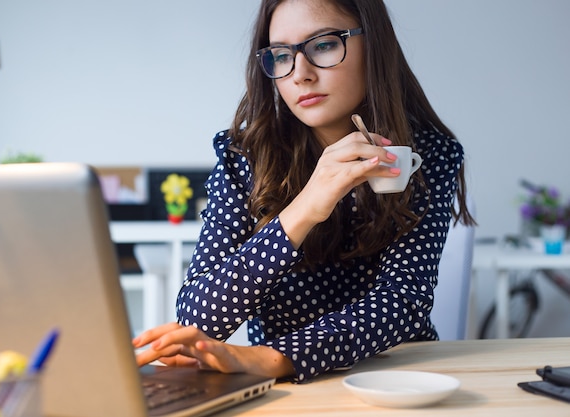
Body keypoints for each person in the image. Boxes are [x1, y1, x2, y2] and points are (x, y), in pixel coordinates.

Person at [132, 0, 476, 383]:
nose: (300, 74)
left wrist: (276, 357)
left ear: (374, 44)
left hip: (401, 378)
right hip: (293, 392)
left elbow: (403, 300)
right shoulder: (246, 157)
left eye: (324, 45)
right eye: (281, 56)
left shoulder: (425, 154)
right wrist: (304, 209)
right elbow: (198, 320)